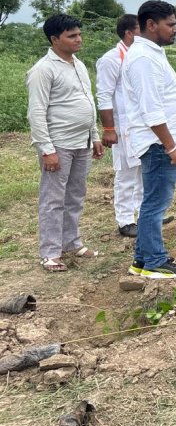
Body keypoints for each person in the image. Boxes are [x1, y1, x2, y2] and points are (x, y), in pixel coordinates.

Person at [123, 1, 176, 279]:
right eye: (170, 24)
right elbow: (150, 109)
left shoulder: (151, 54)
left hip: (161, 143)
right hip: (159, 145)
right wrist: (171, 146)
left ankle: (142, 260)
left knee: (153, 202)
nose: (175, 30)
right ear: (151, 25)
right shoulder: (143, 59)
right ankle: (155, 261)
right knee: (155, 204)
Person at [26, 14, 105, 272]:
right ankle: (50, 252)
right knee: (53, 198)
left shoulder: (78, 65)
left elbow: (88, 101)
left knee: (76, 194)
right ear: (54, 39)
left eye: (79, 34)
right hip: (58, 144)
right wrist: (46, 149)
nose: (78, 39)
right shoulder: (43, 70)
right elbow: (36, 112)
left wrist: (94, 136)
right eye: (72, 36)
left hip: (81, 142)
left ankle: (71, 243)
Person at [95, 14, 142, 238]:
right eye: (141, 30)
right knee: (126, 173)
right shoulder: (111, 59)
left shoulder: (140, 56)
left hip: (143, 126)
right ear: (129, 33)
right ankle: (125, 220)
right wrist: (109, 129)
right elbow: (104, 96)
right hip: (123, 126)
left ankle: (145, 214)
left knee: (145, 171)